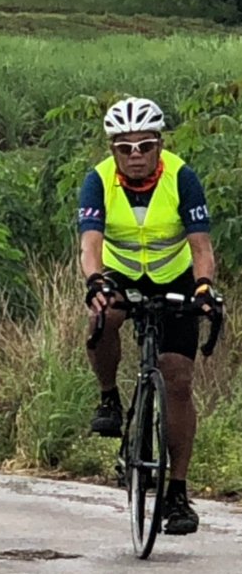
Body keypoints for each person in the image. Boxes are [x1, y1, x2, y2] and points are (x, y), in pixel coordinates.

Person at [80, 97, 224, 536]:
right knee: (104, 316)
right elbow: (90, 244)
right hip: (120, 273)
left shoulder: (182, 177)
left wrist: (204, 286)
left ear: (159, 144)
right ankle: (109, 397)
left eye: (145, 145)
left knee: (177, 379)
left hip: (174, 277)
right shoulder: (98, 181)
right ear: (113, 150)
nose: (136, 155)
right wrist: (95, 281)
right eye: (125, 148)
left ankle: (177, 492)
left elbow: (201, 247)